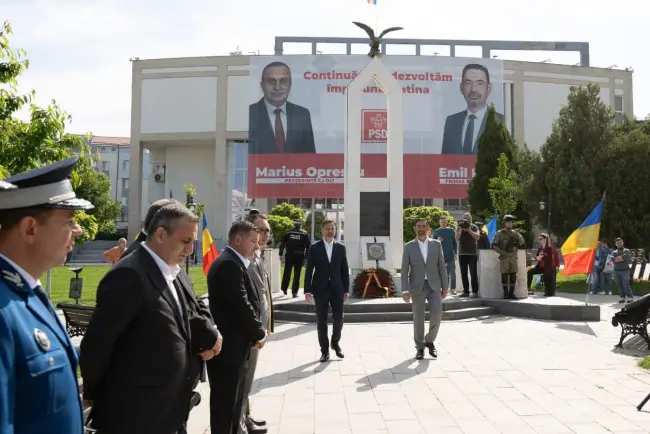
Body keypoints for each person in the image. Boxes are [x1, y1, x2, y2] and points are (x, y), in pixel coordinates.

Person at [80, 203, 222, 434]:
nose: (190, 249)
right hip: (137, 414)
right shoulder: (129, 274)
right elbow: (98, 343)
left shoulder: (173, 270)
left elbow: (191, 313)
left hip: (172, 409)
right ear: (160, 234)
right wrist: (93, 395)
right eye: (185, 241)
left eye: (193, 242)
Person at [0, 157, 93, 434]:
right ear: (30, 228)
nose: (77, 231)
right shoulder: (5, 307)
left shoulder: (27, 294)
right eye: (69, 220)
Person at [206, 220, 268, 434]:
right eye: (253, 241)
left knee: (234, 405)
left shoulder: (234, 262)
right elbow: (240, 304)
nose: (256, 245)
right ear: (238, 239)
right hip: (228, 352)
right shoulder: (229, 265)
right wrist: (259, 332)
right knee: (226, 407)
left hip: (235, 349)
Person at [239, 211, 275, 434]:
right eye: (260, 230)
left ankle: (246, 416)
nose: (264, 235)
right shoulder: (245, 260)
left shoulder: (258, 255)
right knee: (242, 379)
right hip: (248, 332)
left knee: (248, 379)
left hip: (258, 329)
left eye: (267, 231)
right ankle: (240, 423)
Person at [401, 218, 448, 360]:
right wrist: (405, 290)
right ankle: (420, 347)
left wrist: (445, 286)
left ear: (428, 228)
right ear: (415, 228)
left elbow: (441, 266)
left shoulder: (436, 244)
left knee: (437, 314)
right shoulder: (409, 246)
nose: (421, 228)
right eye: (418, 226)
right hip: (417, 287)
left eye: (423, 226)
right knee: (418, 318)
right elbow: (404, 270)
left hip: (434, 285)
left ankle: (429, 340)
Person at [304, 220, 349, 363]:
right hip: (320, 289)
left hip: (337, 289)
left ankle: (335, 343)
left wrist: (346, 289)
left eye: (332, 229)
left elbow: (344, 270)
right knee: (321, 321)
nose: (330, 231)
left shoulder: (341, 248)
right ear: (322, 230)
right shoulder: (314, 247)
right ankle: (325, 351)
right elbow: (309, 270)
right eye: (327, 229)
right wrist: (307, 290)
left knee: (339, 318)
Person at [248, 61, 316, 154]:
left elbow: (310, 157)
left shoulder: (302, 115)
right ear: (262, 85)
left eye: (283, 81)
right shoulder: (250, 113)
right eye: (271, 81)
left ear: (290, 85)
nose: (277, 87)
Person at [441, 64, 505, 155]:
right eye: (468, 83)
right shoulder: (451, 122)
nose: (473, 89)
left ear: (489, 88)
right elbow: (445, 160)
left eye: (480, 83)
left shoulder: (501, 121)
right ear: (461, 88)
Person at [492, 215, 525, 299]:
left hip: (513, 257)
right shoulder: (500, 233)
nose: (510, 224)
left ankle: (511, 293)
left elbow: (522, 243)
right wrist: (501, 252)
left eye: (511, 222)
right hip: (504, 256)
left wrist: (518, 236)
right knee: (505, 274)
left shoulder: (515, 233)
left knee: (513, 274)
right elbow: (494, 245)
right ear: (504, 223)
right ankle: (505, 293)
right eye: (508, 222)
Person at [279, 219, 311, 298]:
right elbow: (308, 246)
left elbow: (283, 243)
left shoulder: (288, 232)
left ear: (294, 224)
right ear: (301, 225)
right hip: (299, 256)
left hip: (289, 254)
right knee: (297, 274)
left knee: (287, 272)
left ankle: (284, 289)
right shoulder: (304, 233)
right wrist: (307, 256)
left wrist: (280, 253)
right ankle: (294, 292)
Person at [455, 212, 480, 298]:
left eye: (468, 219)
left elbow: (477, 237)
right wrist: (461, 229)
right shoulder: (459, 226)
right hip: (462, 254)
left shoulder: (474, 227)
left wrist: (469, 230)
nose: (466, 220)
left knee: (473, 273)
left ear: (471, 220)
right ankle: (466, 291)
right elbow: (457, 238)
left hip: (472, 253)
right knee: (463, 273)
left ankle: (475, 292)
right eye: (465, 218)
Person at [432, 216, 457, 296]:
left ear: (447, 222)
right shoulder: (436, 231)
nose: (443, 223)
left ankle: (453, 289)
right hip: (440, 256)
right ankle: (444, 289)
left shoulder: (451, 231)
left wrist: (455, 253)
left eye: (444, 222)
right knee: (442, 273)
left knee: (452, 272)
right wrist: (437, 241)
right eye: (441, 222)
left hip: (450, 255)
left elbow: (455, 243)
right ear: (440, 222)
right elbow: (432, 244)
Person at [612, 237, 634, 304]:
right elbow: (613, 260)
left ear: (623, 242)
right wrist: (621, 258)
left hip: (625, 270)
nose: (619, 244)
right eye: (617, 243)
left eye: (620, 242)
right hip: (616, 270)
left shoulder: (626, 250)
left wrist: (616, 259)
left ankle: (630, 297)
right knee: (619, 284)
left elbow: (625, 257)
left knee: (626, 284)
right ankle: (622, 297)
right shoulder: (614, 252)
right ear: (615, 244)